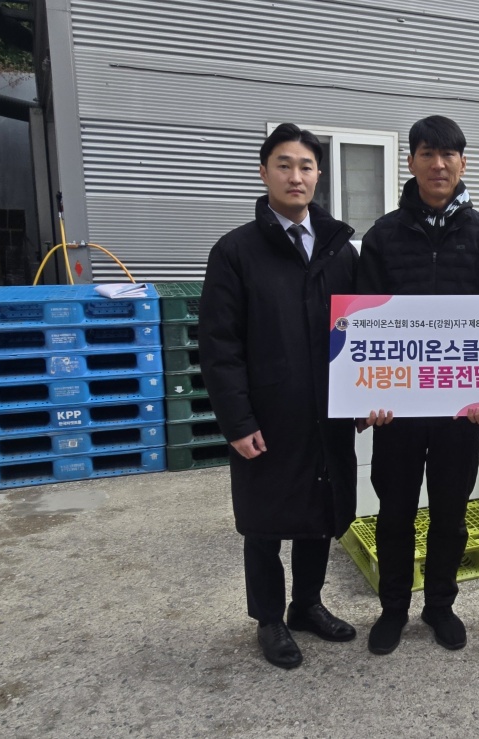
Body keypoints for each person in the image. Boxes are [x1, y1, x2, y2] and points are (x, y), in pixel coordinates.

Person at [200, 123, 360, 670]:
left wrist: (364, 397)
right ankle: (268, 618)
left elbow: (361, 331)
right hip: (268, 413)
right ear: (264, 172)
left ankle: (307, 604)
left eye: (306, 166)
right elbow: (219, 345)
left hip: (328, 410)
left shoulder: (340, 251)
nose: (296, 176)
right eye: (284, 165)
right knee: (265, 521)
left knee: (321, 510)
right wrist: (237, 420)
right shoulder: (235, 252)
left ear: (319, 175)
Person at [354, 115, 479, 655]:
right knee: (394, 512)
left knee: (451, 513)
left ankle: (440, 606)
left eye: (448, 155)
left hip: (458, 411)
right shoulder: (382, 237)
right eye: (427, 154)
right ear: (412, 162)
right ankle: (393, 609)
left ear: (464, 163)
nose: (438, 165)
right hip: (396, 412)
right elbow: (364, 325)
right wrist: (368, 396)